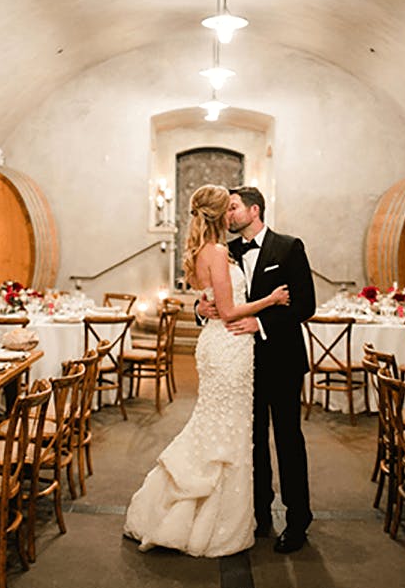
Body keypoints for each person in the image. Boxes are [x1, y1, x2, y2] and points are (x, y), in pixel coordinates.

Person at [123, 185, 290, 557]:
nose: (233, 214)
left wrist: (204, 304)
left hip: (225, 346)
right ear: (221, 216)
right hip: (228, 346)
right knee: (226, 429)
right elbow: (229, 311)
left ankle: (220, 515)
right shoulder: (216, 252)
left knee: (223, 427)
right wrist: (271, 300)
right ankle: (209, 523)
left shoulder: (210, 252)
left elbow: (212, 300)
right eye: (229, 208)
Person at [198, 185, 316, 553]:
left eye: (233, 208)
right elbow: (212, 298)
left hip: (281, 360)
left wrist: (261, 323)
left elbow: (305, 306)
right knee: (251, 441)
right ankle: (258, 512)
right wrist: (199, 312)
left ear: (254, 210)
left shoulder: (289, 246)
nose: (228, 215)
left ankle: (298, 520)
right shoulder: (226, 252)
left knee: (287, 438)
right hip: (240, 364)